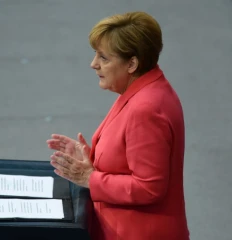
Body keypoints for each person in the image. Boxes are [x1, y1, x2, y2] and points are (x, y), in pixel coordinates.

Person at [46, 11, 190, 240]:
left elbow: (149, 187)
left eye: (104, 58)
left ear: (132, 63)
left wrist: (89, 178)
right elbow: (131, 157)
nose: (93, 64)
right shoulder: (144, 89)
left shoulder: (146, 108)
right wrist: (89, 159)